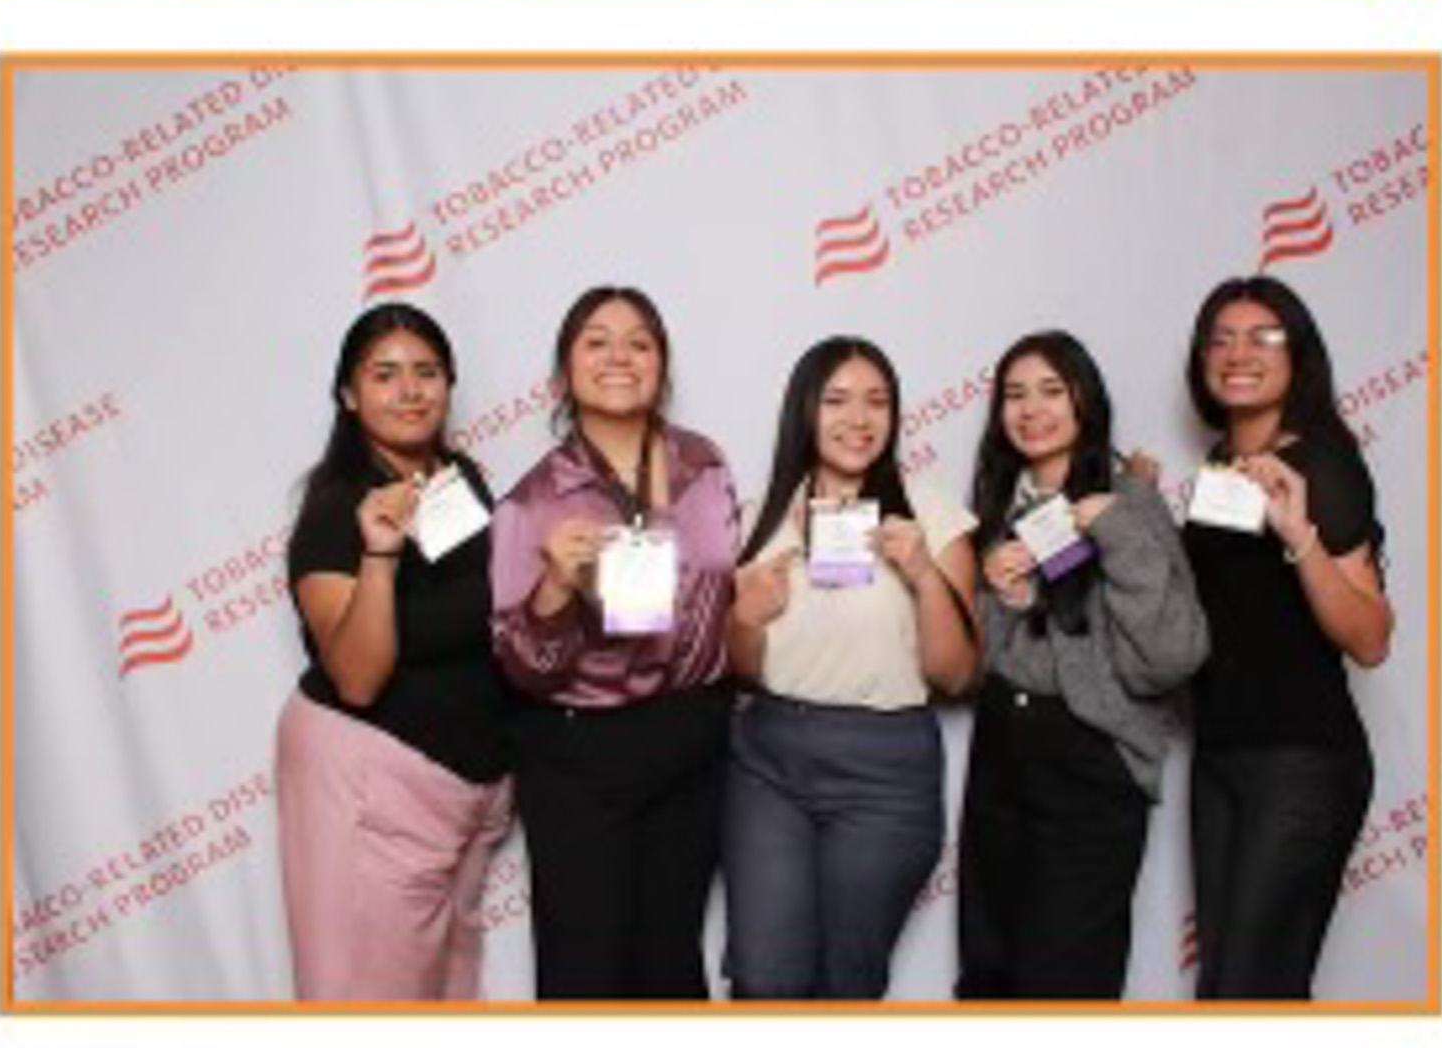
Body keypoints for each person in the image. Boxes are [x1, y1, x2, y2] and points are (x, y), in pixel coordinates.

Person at [489, 287, 738, 997]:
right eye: (596, 341)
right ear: (564, 374)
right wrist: (554, 594)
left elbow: (719, 585)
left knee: (670, 968)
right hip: (582, 756)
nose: (619, 356)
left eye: (640, 341)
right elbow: (520, 668)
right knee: (586, 974)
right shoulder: (533, 501)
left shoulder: (705, 465)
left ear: (662, 363)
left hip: (691, 740)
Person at [956, 332, 1208, 1001]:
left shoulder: (1131, 500)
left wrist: (1114, 527)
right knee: (989, 974)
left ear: (1084, 401)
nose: (1031, 409)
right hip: (1001, 758)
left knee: (1065, 986)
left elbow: (1172, 656)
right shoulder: (1000, 505)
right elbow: (984, 662)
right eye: (1014, 395)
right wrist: (1005, 600)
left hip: (1092, 767)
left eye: (1050, 391)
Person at [723, 337, 977, 997]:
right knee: (764, 980)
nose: (858, 419)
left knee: (846, 986)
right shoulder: (760, 517)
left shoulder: (932, 513)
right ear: (804, 411)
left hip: (883, 772)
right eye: (836, 400)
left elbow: (955, 676)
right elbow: (744, 670)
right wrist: (745, 618)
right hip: (769, 761)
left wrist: (922, 574)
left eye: (876, 402)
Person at [275, 304, 512, 1000]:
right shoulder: (335, 508)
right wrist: (380, 553)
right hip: (372, 785)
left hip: (457, 799)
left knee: (440, 993)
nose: (410, 391)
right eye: (385, 375)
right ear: (349, 395)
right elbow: (356, 676)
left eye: (426, 372)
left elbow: (484, 609)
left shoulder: (457, 479)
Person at [1181, 277, 1392, 999]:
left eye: (1262, 338)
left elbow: (1370, 637)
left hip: (1300, 761)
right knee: (1227, 993)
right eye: (1222, 338)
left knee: (1252, 994)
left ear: (1297, 357)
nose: (1238, 353)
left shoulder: (1322, 464)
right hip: (1221, 759)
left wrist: (1299, 532)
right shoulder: (1216, 468)